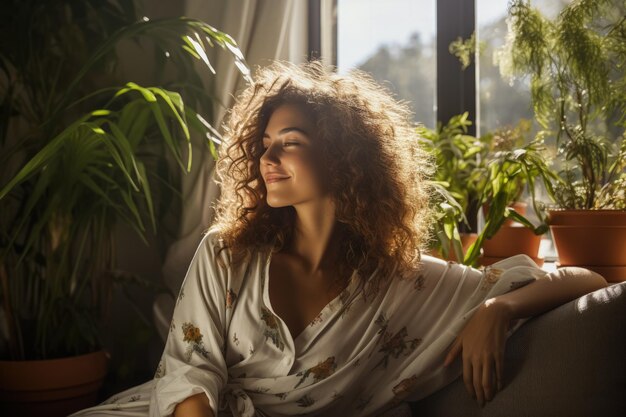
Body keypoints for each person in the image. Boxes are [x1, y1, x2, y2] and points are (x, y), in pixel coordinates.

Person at [71, 61, 607, 417]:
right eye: (263, 144)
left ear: (344, 158)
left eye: (290, 142)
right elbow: (189, 375)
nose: (267, 158)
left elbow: (589, 279)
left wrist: (497, 308)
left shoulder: (400, 282)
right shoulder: (227, 251)